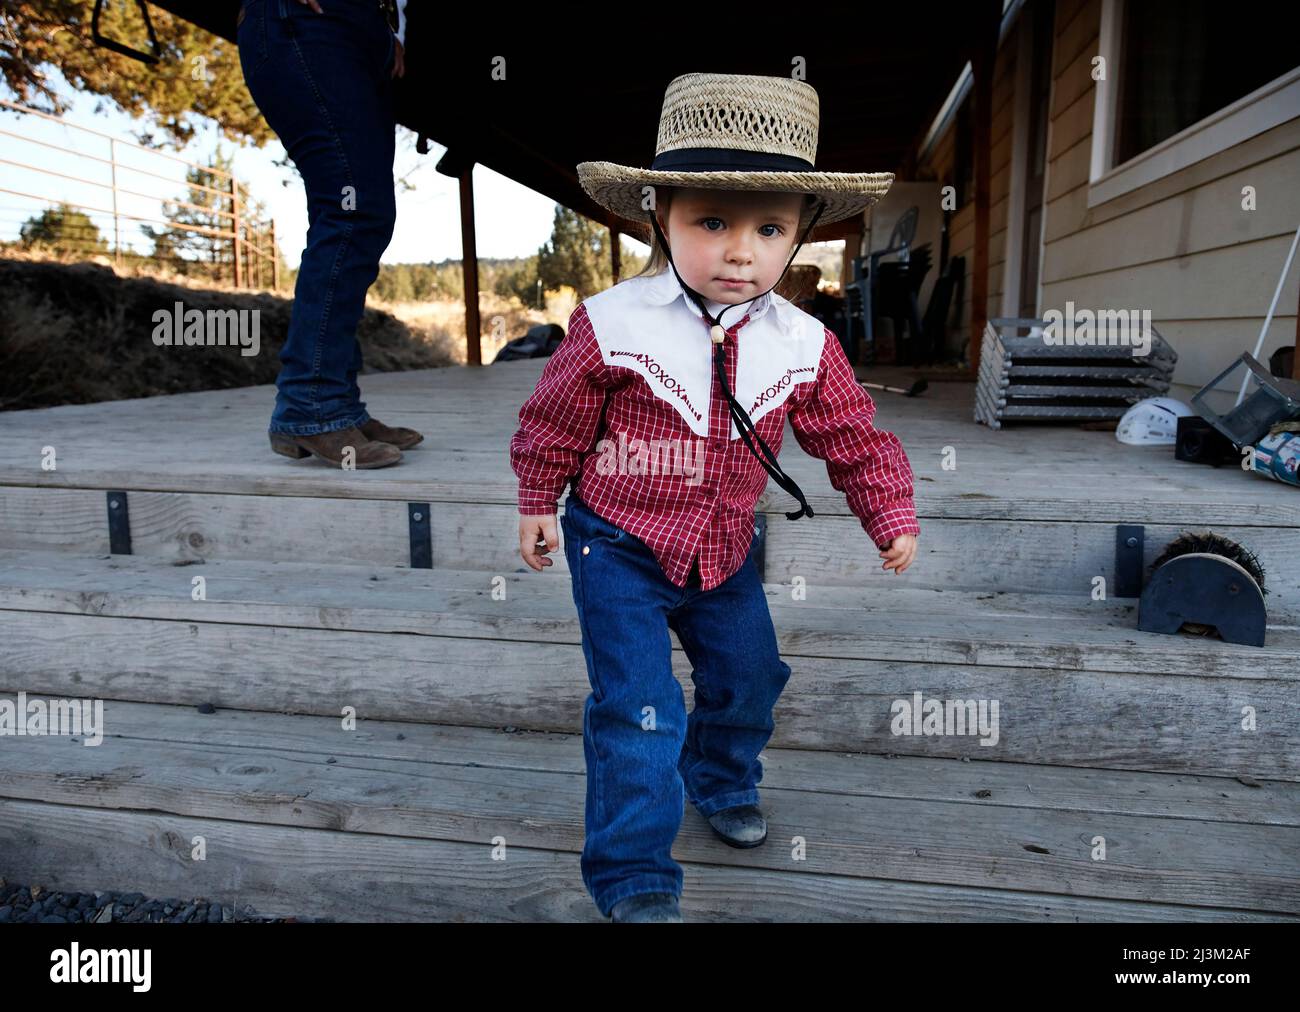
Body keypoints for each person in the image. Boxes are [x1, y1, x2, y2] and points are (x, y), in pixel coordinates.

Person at [509, 71, 921, 923]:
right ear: (659, 213)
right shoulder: (613, 323)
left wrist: (888, 509)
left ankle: (722, 777)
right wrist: (538, 496)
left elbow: (853, 435)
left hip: (724, 545)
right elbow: (554, 419)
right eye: (712, 223)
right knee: (638, 707)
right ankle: (634, 874)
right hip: (616, 540)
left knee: (751, 674)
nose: (740, 251)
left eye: (768, 228)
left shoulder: (804, 342)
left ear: (799, 233)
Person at [237, 0, 422, 469]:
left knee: (361, 211)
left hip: (361, 31)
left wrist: (391, 28)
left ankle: (337, 405)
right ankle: (310, 407)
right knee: (353, 209)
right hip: (308, 21)